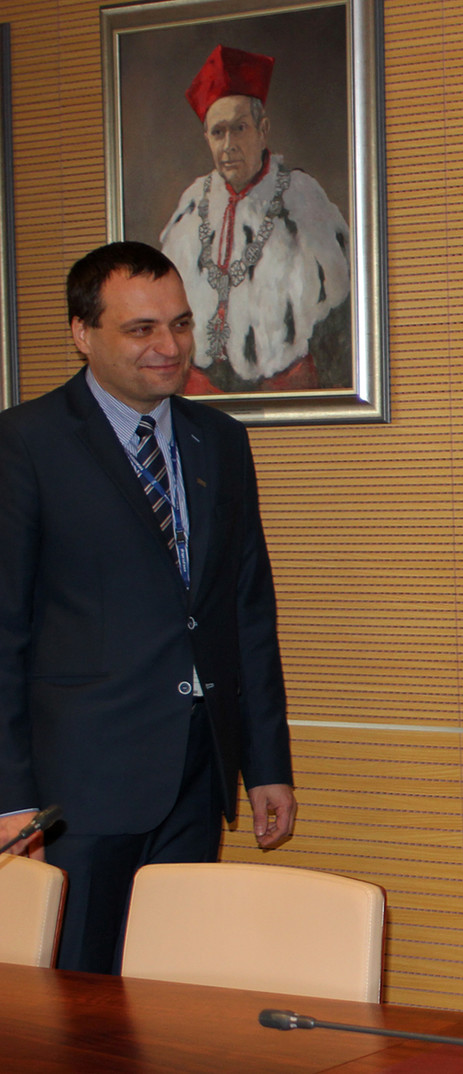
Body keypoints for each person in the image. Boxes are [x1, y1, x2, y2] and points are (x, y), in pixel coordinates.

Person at [0, 242, 297, 973]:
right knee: (73, 1000)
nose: (169, 346)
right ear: (82, 332)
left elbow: (245, 611)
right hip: (76, 793)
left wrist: (265, 763)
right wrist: (11, 798)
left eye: (181, 324)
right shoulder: (25, 443)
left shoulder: (219, 441)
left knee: (170, 987)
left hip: (195, 777)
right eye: (142, 329)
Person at [160, 45, 351, 395]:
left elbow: (338, 308)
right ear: (206, 138)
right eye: (218, 132)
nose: (228, 145)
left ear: (263, 130)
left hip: (282, 385)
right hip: (202, 391)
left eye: (240, 128)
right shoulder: (192, 201)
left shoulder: (303, 199)